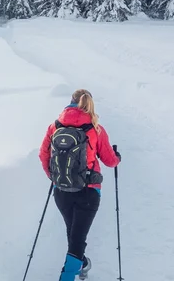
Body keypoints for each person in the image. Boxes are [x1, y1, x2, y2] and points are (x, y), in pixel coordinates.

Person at [39, 89, 121, 281]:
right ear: (89, 104)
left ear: (70, 103)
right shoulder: (95, 128)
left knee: (74, 236)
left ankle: (82, 264)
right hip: (88, 192)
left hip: (62, 192)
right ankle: (70, 274)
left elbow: (44, 155)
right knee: (76, 239)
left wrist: (55, 177)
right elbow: (110, 161)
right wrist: (118, 157)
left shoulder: (54, 127)